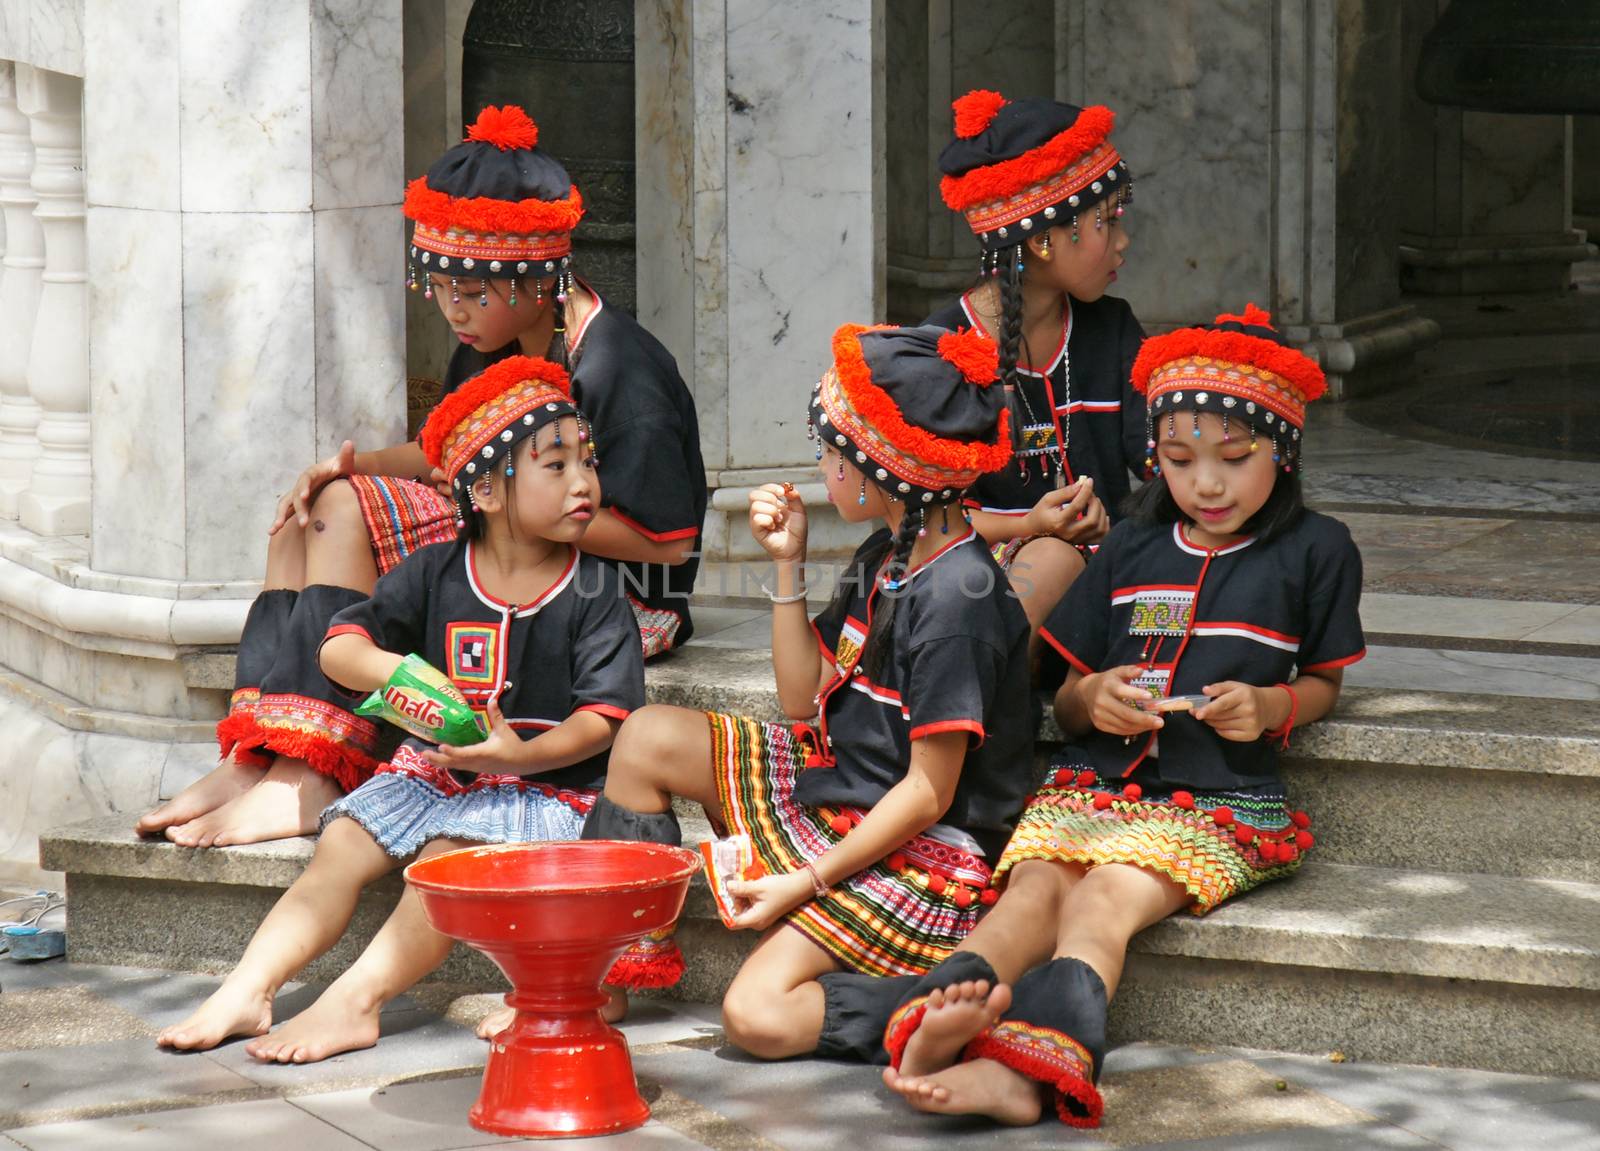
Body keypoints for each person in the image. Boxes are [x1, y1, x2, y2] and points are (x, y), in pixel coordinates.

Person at [828, 305, 1365, 1127]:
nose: (1206, 483)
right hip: (1094, 786)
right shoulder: (1130, 547)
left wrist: (1271, 705)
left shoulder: (1318, 550)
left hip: (1217, 798)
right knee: (1033, 888)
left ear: (1282, 451)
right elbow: (1069, 694)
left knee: (1101, 899)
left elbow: (1324, 680)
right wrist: (1094, 698)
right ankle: (935, 1022)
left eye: (1234, 458)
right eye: (1180, 461)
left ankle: (1033, 1073)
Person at [137, 104, 705, 848]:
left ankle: (315, 772)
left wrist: (513, 510)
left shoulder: (616, 367)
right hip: (512, 543)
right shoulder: (498, 337)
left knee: (346, 518)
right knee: (311, 514)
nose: (452, 311)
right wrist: (355, 465)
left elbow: (666, 542)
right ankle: (263, 755)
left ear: (533, 275)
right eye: (439, 288)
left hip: (608, 596)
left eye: (470, 292)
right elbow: (447, 453)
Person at [154, 356, 646, 1062]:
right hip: (434, 773)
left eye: (588, 462)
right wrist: (386, 668)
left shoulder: (596, 589)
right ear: (488, 490)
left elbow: (603, 721)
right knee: (339, 850)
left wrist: (519, 755)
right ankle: (248, 986)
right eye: (556, 464)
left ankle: (356, 1002)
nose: (584, 483)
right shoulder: (436, 570)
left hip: (543, 787)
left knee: (444, 867)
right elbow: (341, 644)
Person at [570, 322, 1035, 1058]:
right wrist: (787, 565)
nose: (823, 464)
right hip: (843, 795)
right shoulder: (889, 552)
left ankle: (934, 1007)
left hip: (925, 856)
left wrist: (805, 884)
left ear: (881, 465)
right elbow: (800, 699)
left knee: (758, 1015)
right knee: (647, 735)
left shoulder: (958, 597)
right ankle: (600, 983)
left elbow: (928, 794)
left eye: (832, 449)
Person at [924, 90, 1147, 657]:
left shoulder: (1114, 330)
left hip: (1107, 570)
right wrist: (1032, 525)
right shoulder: (942, 350)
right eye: (1107, 222)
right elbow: (925, 521)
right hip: (982, 579)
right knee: (1049, 560)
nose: (1122, 242)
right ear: (1044, 240)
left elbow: (1164, 462)